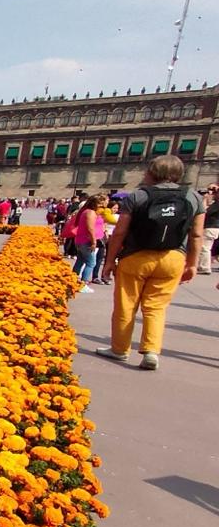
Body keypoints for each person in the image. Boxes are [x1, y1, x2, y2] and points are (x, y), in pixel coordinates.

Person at [96, 155, 205, 371]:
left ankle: (120, 349)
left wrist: (109, 261)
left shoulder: (138, 196)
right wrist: (192, 264)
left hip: (136, 256)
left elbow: (119, 232)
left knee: (126, 305)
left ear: (152, 172)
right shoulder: (193, 197)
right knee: (156, 307)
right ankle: (151, 351)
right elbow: (196, 235)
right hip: (173, 257)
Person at [71, 194, 105, 293]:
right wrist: (94, 242)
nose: (101, 206)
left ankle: (73, 281)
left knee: (80, 261)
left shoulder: (85, 211)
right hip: (86, 241)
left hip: (81, 240)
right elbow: (90, 228)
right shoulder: (90, 213)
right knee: (91, 263)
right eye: (100, 204)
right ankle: (83, 284)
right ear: (95, 203)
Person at [201, 184, 219, 275]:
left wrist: (204, 199)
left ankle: (205, 267)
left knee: (205, 248)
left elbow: (204, 211)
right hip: (215, 228)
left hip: (211, 227)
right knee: (209, 247)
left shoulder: (217, 204)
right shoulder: (215, 203)